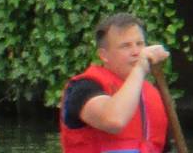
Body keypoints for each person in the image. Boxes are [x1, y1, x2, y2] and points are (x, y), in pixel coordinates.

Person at [58, 14, 171, 153]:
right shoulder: (83, 88)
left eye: (140, 44)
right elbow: (114, 120)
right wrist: (140, 68)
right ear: (103, 55)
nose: (136, 52)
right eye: (125, 46)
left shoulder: (154, 95)